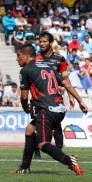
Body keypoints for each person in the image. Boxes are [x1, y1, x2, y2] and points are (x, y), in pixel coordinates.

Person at [11, 44, 87, 175]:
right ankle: (24, 167)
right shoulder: (48, 66)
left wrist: (25, 108)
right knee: (30, 130)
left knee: (42, 144)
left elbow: (24, 97)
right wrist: (80, 101)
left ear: (27, 55)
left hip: (46, 109)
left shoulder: (25, 70)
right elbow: (66, 83)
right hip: (60, 109)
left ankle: (71, 161)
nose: (17, 59)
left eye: (19, 56)